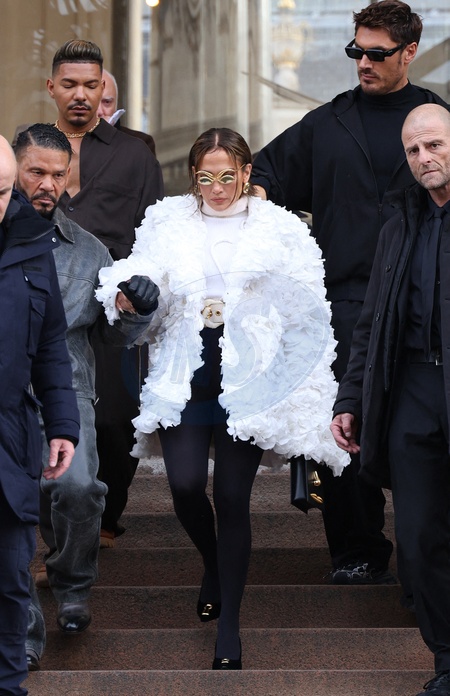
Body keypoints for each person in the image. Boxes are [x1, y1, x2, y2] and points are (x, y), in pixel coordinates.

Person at [96, 126, 350, 669]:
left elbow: (307, 315)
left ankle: (229, 627)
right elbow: (147, 281)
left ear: (247, 172)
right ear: (193, 176)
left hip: (248, 374)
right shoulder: (167, 220)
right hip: (185, 366)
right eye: (205, 177)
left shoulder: (282, 227)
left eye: (227, 176)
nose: (215, 188)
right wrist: (134, 293)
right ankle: (213, 564)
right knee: (186, 486)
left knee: (233, 498)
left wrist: (306, 400)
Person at [251, 0, 449, 586]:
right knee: (340, 428)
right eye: (355, 51)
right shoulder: (327, 123)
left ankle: (426, 567)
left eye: (376, 53)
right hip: (341, 302)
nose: (363, 62)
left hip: (424, 302)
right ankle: (356, 548)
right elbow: (264, 176)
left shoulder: (436, 123)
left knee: (420, 436)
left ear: (409, 53)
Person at [13, 124, 159, 669]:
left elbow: (113, 336)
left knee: (78, 491)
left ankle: (72, 583)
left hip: (67, 391)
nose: (47, 184)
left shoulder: (88, 250)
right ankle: (23, 633)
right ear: (13, 170)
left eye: (58, 174)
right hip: (7, 392)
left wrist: (136, 310)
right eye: (36, 172)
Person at [331, 103, 450, 696]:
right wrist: (350, 397)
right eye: (413, 150)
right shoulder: (400, 221)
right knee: (419, 536)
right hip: (412, 391)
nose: (424, 158)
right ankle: (448, 659)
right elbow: (371, 323)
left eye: (435, 145)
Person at [47, 39, 164, 547]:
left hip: (113, 311)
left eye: (90, 85)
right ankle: (61, 530)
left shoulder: (135, 154)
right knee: (43, 418)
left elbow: (154, 233)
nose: (81, 94)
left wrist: (139, 294)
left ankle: (105, 518)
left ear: (103, 91)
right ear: (52, 87)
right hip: (43, 303)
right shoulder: (30, 147)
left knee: (115, 422)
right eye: (70, 84)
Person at [0, 134, 79, 696]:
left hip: (10, 434)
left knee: (10, 577)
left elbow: (51, 343)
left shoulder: (32, 239)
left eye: (3, 191)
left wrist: (63, 424)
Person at [97, 69, 157, 156]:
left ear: (116, 104)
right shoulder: (75, 142)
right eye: (93, 102)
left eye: (107, 102)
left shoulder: (141, 143)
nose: (99, 111)